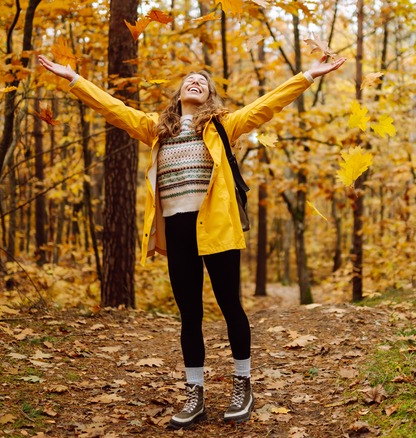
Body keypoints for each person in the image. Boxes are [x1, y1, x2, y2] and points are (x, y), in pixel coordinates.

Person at [38, 51, 346, 429]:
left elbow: (267, 105)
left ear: (210, 94)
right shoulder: (156, 129)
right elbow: (114, 108)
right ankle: (194, 393)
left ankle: (242, 384)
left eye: (202, 80)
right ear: (179, 93)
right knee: (190, 315)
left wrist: (307, 76)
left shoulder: (222, 126)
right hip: (177, 230)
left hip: (217, 228)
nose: (194, 82)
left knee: (231, 306)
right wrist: (74, 79)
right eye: (189, 80)